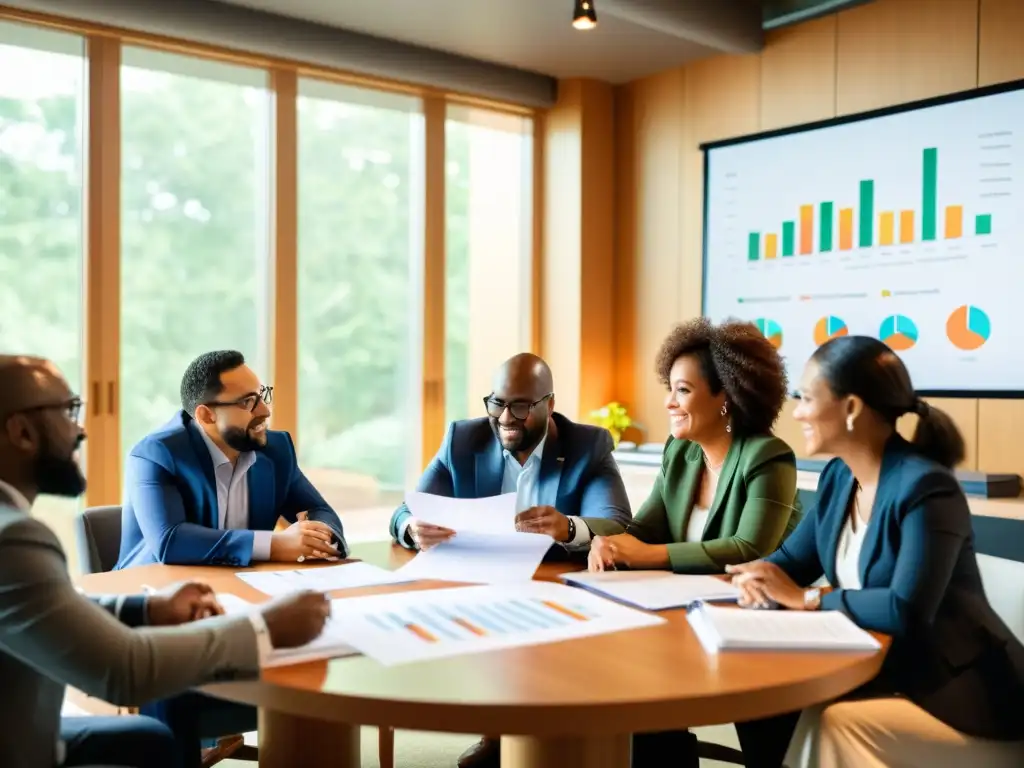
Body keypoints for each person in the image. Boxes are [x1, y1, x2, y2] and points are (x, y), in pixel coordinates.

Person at [0, 354, 331, 768]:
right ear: (21, 431)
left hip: (34, 732)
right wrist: (264, 628)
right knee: (166, 707)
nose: (81, 428)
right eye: (69, 411)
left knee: (151, 741)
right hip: (23, 750)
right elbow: (125, 672)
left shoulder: (10, 527)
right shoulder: (14, 538)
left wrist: (148, 608)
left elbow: (38, 609)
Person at [728, 336, 1024, 768]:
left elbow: (906, 608)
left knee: (833, 724)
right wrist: (756, 575)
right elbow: (792, 562)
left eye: (808, 398)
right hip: (885, 668)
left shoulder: (926, 487)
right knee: (763, 705)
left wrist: (809, 599)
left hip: (966, 692)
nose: (797, 412)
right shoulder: (838, 477)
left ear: (851, 409)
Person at [389, 352, 631, 768]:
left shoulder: (586, 445)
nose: (505, 417)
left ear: (549, 404)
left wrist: (568, 527)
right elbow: (403, 512)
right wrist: (413, 527)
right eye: (497, 403)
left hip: (554, 588)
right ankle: (497, 733)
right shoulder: (462, 439)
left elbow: (616, 523)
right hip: (479, 584)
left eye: (521, 406)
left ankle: (534, 736)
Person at [589, 318, 800, 574]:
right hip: (684, 596)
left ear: (727, 396)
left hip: (751, 603)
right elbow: (643, 530)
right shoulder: (680, 451)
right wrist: (610, 545)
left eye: (683, 390)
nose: (669, 402)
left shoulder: (767, 456)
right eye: (670, 388)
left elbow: (748, 550)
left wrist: (649, 554)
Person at [117, 349, 346, 569]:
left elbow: (319, 509)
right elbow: (170, 541)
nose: (265, 411)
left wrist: (318, 537)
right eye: (248, 402)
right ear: (206, 415)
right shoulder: (156, 454)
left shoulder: (275, 450)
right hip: (153, 593)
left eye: (262, 395)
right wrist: (275, 544)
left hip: (241, 586)